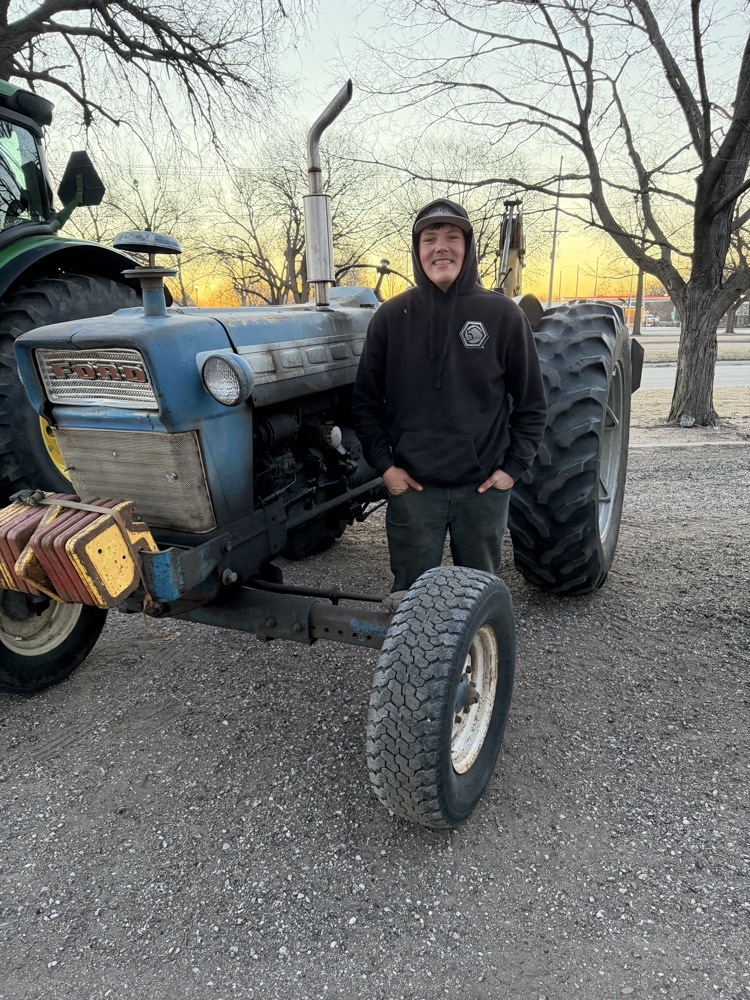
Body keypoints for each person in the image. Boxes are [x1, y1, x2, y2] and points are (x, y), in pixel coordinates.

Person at [352, 198, 547, 593]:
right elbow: (365, 403)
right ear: (417, 249)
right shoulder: (390, 318)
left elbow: (531, 405)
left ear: (468, 246)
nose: (441, 247)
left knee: (476, 595)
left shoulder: (503, 316)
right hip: (412, 490)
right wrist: (386, 468)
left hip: (482, 491)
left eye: (452, 237)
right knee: (408, 595)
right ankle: (412, 656)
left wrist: (511, 470)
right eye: (430, 239)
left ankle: (474, 657)